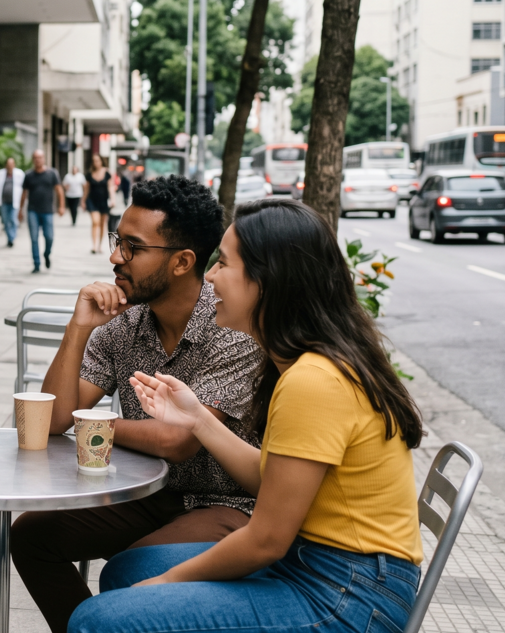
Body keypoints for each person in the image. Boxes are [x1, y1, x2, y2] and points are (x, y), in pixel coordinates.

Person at [74, 197, 425, 633]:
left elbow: (265, 541)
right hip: (316, 561)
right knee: (123, 572)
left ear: (269, 281)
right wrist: (198, 419)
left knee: (99, 620)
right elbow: (270, 479)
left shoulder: (314, 380)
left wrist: (164, 584)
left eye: (223, 264)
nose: (211, 276)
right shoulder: (298, 365)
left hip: (347, 592)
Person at [10, 175, 265, 633]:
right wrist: (79, 327)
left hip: (229, 504)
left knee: (129, 571)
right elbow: (46, 420)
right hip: (151, 492)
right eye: (116, 240)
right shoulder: (124, 325)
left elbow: (178, 440)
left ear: (183, 262)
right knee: (31, 535)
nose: (114, 258)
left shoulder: (232, 322)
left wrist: (90, 424)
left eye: (132, 247)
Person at [18, 150, 64, 273]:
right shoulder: (28, 175)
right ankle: (37, 264)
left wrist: (62, 206)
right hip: (32, 211)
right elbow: (24, 194)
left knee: (49, 237)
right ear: (33, 160)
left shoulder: (52, 173)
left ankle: (46, 254)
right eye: (35, 158)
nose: (38, 160)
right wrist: (20, 210)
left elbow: (59, 190)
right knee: (34, 238)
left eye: (40, 157)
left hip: (48, 210)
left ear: (44, 159)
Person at [0, 156, 26, 247]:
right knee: (5, 221)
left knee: (13, 219)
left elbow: (24, 186)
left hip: (15, 201)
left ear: (14, 164)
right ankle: (10, 238)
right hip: (4, 202)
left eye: (11, 164)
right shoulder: (1, 173)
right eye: (8, 164)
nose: (9, 166)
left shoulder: (19, 173)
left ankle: (12, 238)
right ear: (6, 165)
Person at [83, 152, 112, 254]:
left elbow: (110, 187)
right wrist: (83, 201)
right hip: (92, 201)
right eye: (94, 161)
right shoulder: (89, 174)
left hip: (104, 201)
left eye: (97, 160)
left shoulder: (107, 173)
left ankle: (99, 246)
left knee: (102, 224)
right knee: (95, 222)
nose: (96, 163)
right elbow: (86, 189)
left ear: (101, 161)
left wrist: (113, 200)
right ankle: (94, 246)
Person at [108, 169, 131, 234]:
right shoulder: (116, 184)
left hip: (116, 206)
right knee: (114, 221)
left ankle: (113, 232)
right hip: (116, 206)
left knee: (113, 221)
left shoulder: (116, 185)